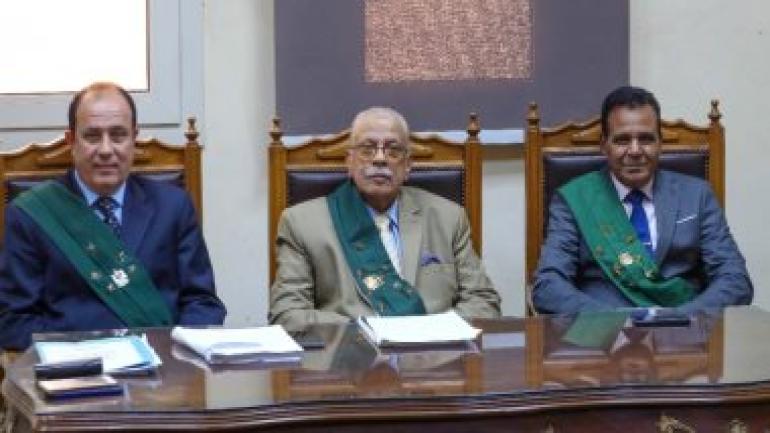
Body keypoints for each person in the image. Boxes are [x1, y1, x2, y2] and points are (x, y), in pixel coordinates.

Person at [0, 82, 226, 350]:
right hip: (76, 367)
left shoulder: (174, 206)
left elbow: (202, 303)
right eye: (92, 136)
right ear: (71, 141)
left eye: (118, 135)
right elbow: (14, 321)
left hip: (163, 367)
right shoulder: (32, 215)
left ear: (134, 138)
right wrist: (89, 354)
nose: (106, 150)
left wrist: (176, 358)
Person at [269, 107, 500, 330]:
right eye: (367, 149)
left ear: (408, 165)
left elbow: (483, 303)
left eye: (393, 150)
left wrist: (428, 333)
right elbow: (287, 314)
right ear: (349, 162)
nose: (380, 159)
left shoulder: (449, 218)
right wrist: (366, 332)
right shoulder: (301, 224)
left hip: (435, 353)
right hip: (349, 353)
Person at [532, 86, 752, 315]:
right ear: (604, 145)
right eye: (622, 140)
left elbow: (735, 280)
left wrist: (681, 320)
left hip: (685, 327)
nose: (635, 151)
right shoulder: (574, 200)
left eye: (646, 139)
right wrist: (613, 323)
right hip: (605, 330)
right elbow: (548, 287)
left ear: (660, 143)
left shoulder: (697, 195)